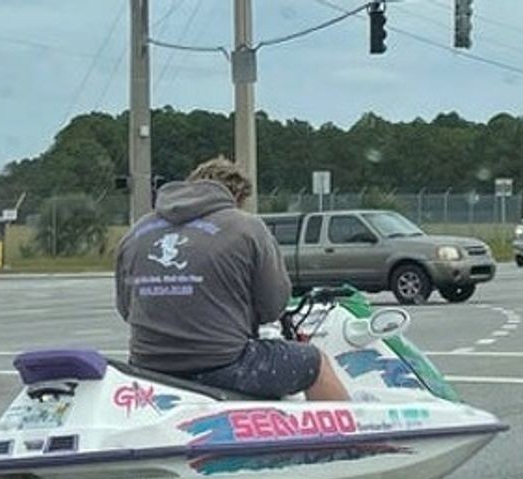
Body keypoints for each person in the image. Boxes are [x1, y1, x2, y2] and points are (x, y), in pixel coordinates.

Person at [115, 156, 349, 401]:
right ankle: (349, 436)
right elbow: (273, 306)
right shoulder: (246, 226)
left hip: (148, 368)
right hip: (223, 365)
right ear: (236, 197)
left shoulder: (137, 232)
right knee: (314, 362)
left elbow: (125, 309)